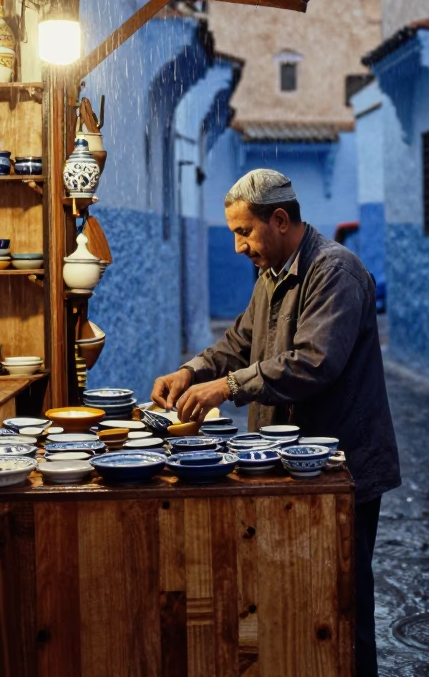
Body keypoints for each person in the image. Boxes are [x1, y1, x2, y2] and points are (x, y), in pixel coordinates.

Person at [151, 168, 401, 676]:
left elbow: (313, 362)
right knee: (296, 601)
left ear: (281, 220)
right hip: (291, 468)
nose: (239, 246)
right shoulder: (271, 275)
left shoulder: (335, 272)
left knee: (342, 602)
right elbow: (240, 340)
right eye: (234, 235)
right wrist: (191, 370)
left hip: (340, 469)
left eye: (244, 232)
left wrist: (226, 388)